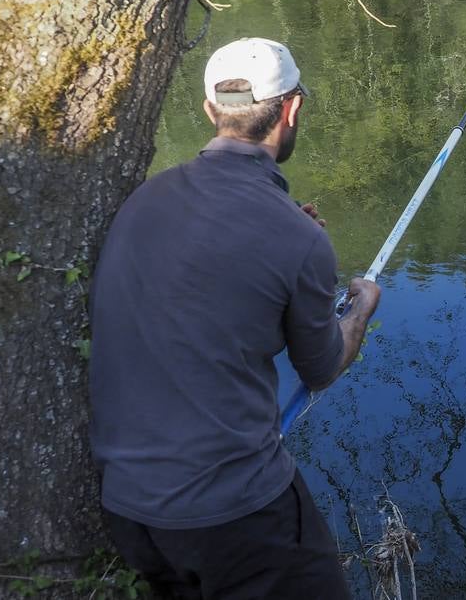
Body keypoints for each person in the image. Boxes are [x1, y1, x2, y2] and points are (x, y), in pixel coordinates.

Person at [89, 37, 381, 598]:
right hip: (237, 518)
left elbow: (204, 285)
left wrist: (295, 249)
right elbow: (320, 367)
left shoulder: (142, 200)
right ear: (291, 109)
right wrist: (360, 308)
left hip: (131, 513)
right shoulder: (298, 239)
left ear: (209, 111)